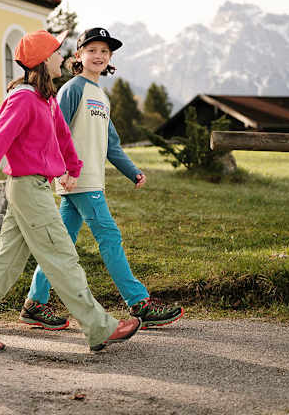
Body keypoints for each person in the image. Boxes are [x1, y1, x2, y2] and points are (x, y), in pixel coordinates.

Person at [0, 29, 141, 353]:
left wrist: (73, 169)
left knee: (7, 260)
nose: (61, 56)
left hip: (35, 186)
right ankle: (100, 327)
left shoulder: (46, 99)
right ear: (42, 60)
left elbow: (63, 138)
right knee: (62, 256)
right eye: (56, 52)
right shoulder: (23, 98)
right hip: (27, 187)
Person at [19, 27, 184, 331]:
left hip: (87, 181)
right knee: (110, 237)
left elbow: (112, 144)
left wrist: (132, 171)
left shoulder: (101, 96)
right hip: (77, 180)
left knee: (61, 244)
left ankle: (35, 303)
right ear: (78, 55)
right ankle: (139, 302)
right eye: (92, 50)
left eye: (104, 51)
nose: (99, 56)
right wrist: (65, 171)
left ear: (110, 58)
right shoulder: (73, 89)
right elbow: (55, 131)